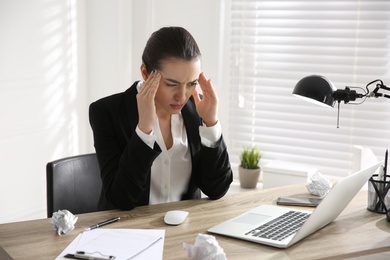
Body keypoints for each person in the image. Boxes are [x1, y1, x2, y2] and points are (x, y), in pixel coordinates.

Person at [89, 26, 233, 211]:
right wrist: (144, 130)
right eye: (172, 84)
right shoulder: (106, 112)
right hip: (129, 232)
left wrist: (210, 123)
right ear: (145, 72)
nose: (182, 96)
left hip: (184, 231)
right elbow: (121, 199)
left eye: (191, 84)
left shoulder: (197, 111)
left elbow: (217, 189)